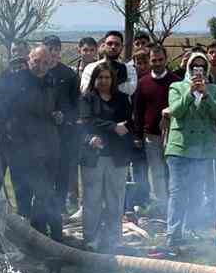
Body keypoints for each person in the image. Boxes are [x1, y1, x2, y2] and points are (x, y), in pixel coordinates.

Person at [0, 44, 65, 241]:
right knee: (26, 193)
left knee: (46, 193)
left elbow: (58, 108)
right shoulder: (14, 81)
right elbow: (1, 114)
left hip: (49, 146)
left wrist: (59, 115)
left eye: (45, 63)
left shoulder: (52, 82)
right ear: (29, 60)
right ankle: (36, 235)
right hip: (22, 148)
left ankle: (41, 232)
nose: (40, 66)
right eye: (36, 61)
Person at [163, 50, 216, 250]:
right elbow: (176, 112)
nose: (199, 70)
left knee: (197, 193)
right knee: (177, 193)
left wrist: (205, 94)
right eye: (195, 66)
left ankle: (190, 229)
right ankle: (173, 233)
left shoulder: (213, 89)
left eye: (202, 66)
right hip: (180, 147)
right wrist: (190, 93)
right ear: (188, 68)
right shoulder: (176, 86)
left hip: (203, 150)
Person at [76, 60, 133, 250]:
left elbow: (129, 122)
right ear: (94, 79)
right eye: (100, 77)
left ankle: (113, 239)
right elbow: (86, 121)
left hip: (117, 156)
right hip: (94, 155)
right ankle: (90, 239)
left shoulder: (122, 99)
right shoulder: (87, 99)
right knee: (92, 199)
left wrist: (119, 128)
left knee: (115, 199)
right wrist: (113, 127)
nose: (103, 81)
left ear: (113, 79)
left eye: (107, 77)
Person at [132, 44, 173, 216]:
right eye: (154, 60)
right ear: (149, 61)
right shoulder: (143, 83)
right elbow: (138, 110)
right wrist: (138, 134)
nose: (157, 63)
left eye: (160, 60)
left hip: (173, 135)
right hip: (151, 136)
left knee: (171, 172)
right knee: (156, 173)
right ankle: (162, 208)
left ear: (166, 59)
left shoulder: (175, 81)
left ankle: (173, 207)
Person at [43, 36, 81, 215]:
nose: (53, 53)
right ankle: (43, 206)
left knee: (63, 170)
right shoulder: (37, 72)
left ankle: (60, 207)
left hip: (64, 131)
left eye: (56, 50)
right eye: (49, 49)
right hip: (40, 132)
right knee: (43, 171)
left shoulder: (69, 75)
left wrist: (65, 116)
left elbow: (77, 104)